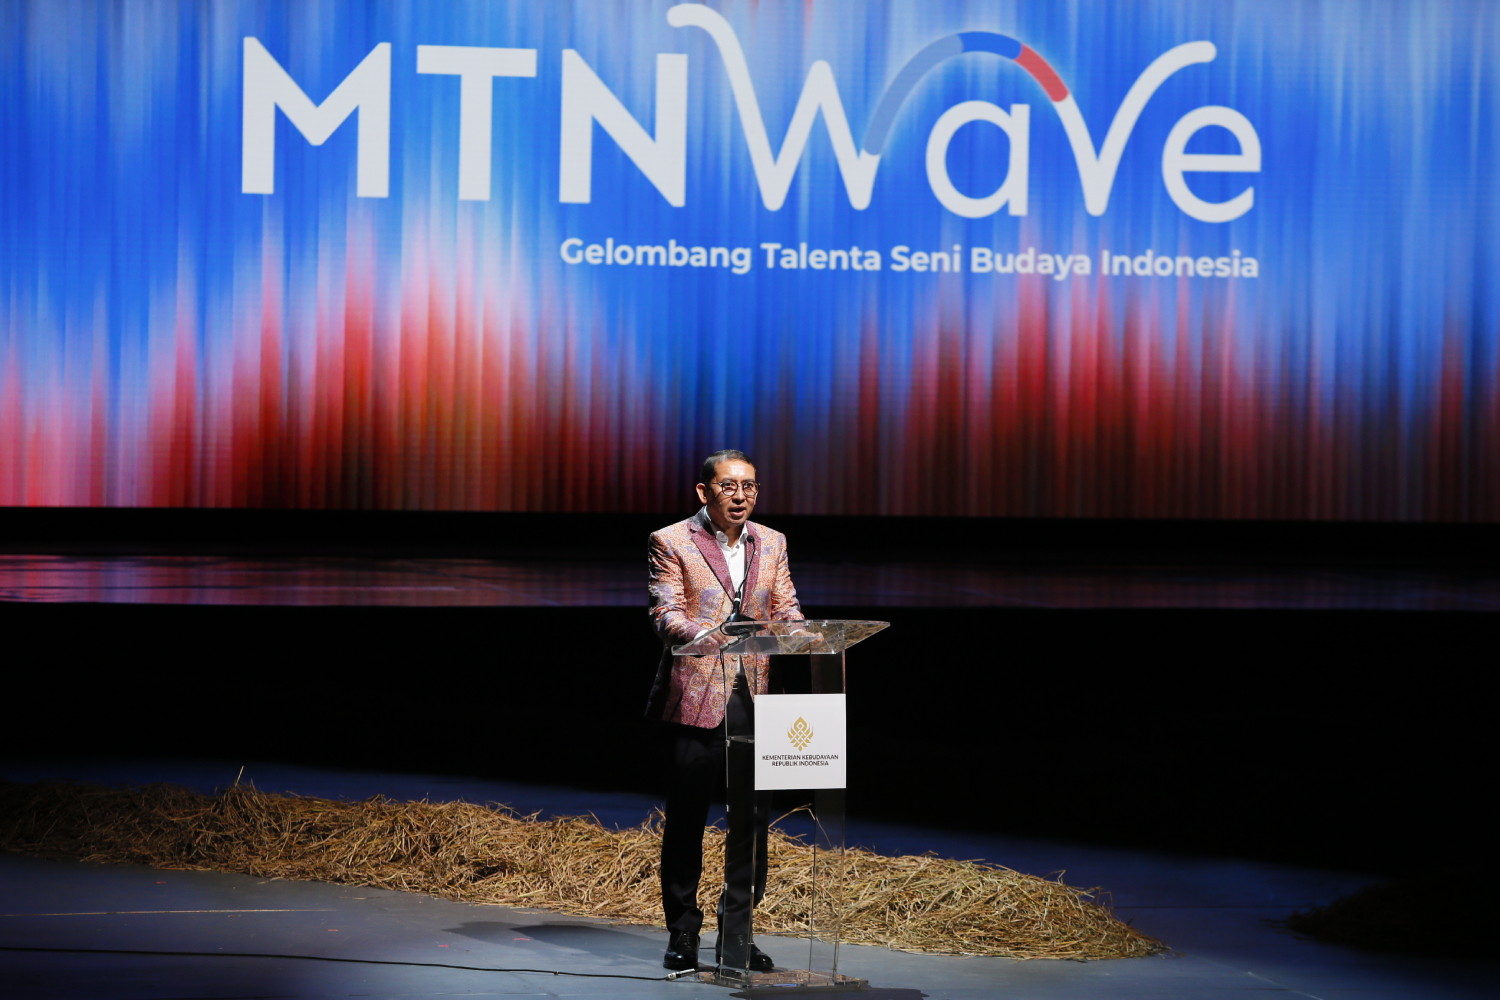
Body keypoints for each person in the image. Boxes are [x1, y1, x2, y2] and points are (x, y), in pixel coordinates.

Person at [645, 449, 803, 973]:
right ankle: (683, 930)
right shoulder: (671, 540)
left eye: (749, 486)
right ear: (704, 491)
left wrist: (803, 634)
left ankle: (737, 933)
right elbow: (666, 614)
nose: (740, 496)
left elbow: (785, 607)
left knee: (752, 824)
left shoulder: (771, 541)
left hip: (758, 699)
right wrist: (713, 635)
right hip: (698, 696)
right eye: (729, 486)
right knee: (687, 820)